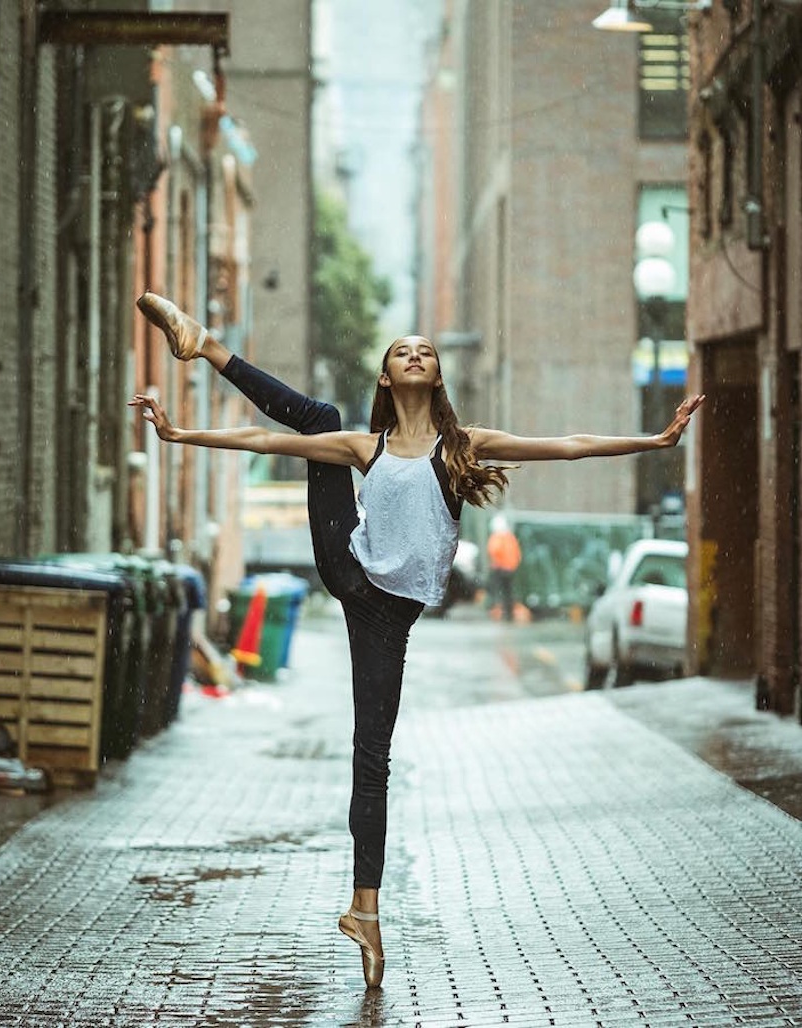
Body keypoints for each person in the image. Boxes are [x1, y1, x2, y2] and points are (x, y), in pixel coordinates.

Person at [129, 292, 705, 989]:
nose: (415, 353)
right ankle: (206, 346)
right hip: (348, 565)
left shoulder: (461, 446)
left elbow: (566, 446)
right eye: (402, 348)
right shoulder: (362, 447)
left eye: (425, 351)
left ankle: (364, 912)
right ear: (386, 375)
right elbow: (265, 440)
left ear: (434, 377)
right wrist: (182, 436)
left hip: (390, 613)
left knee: (372, 757)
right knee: (317, 422)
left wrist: (651, 442)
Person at [486, 514, 522, 621]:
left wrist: (497, 562)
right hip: (510, 569)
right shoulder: (510, 537)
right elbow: (517, 554)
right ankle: (508, 613)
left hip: (500, 568)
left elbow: (494, 550)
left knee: (498, 591)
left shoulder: (497, 537)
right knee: (508, 592)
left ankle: (499, 612)